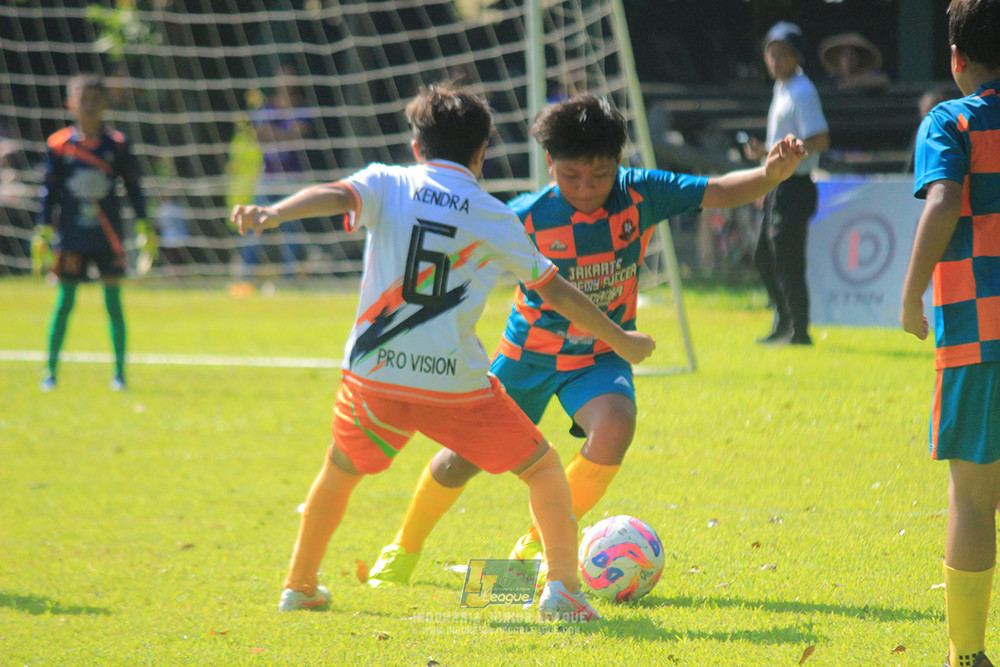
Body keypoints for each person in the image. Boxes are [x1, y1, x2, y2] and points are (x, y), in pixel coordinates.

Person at [230, 83, 657, 620]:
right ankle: (563, 591)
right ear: (482, 153)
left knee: (338, 471)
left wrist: (273, 213)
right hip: (452, 385)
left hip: (373, 376)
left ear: (417, 146)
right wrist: (622, 339)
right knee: (545, 468)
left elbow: (336, 194)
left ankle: (299, 585)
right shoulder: (493, 214)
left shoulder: (386, 182)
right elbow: (555, 289)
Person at [365, 94, 806, 588]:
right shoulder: (524, 216)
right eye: (570, 176)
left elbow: (719, 190)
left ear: (619, 164)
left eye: (599, 176)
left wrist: (770, 176)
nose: (585, 188)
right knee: (459, 458)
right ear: (549, 164)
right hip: (525, 357)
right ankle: (404, 546)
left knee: (616, 426)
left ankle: (537, 543)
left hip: (597, 357)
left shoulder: (641, 193)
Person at [900, 2, 1000, 665]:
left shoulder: (950, 119)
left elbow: (942, 201)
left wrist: (911, 295)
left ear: (957, 58)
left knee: (971, 495)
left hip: (978, 332)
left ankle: (966, 654)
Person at [36, 73, 148, 392]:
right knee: (64, 301)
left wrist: (143, 223)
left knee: (113, 303)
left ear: (105, 104)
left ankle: (120, 374)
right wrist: (42, 230)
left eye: (95, 99)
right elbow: (50, 192)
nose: (89, 106)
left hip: (107, 236)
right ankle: (50, 372)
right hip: (71, 237)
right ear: (70, 103)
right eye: (83, 99)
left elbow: (134, 188)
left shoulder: (118, 145)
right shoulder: (58, 145)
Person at [744, 22, 830, 346]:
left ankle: (800, 330)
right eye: (770, 53)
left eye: (782, 54)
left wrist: (774, 152)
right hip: (779, 183)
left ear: (797, 56)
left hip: (795, 184)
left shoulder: (803, 91)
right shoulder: (782, 89)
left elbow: (820, 138)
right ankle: (784, 320)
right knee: (764, 256)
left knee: (788, 259)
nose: (774, 61)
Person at [239, 63, 315, 280]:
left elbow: (301, 132)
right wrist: (286, 133)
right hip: (269, 177)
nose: (285, 83)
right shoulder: (266, 108)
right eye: (282, 78)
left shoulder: (303, 109)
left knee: (292, 228)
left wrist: (276, 134)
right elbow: (260, 133)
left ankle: (289, 276)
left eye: (289, 78)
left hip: (294, 177)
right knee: (254, 222)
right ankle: (246, 274)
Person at [817, 32, 891, 92]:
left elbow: (883, 80)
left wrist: (854, 83)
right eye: (845, 55)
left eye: (853, 55)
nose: (849, 59)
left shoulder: (870, 75)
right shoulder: (832, 81)